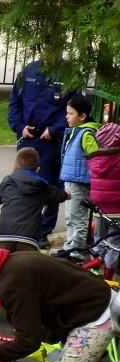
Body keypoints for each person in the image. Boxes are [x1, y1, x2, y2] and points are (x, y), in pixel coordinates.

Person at [8, 53, 81, 249]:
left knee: (49, 185)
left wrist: (54, 130)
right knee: (21, 181)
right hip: (27, 136)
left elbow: (74, 111)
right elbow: (15, 102)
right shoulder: (29, 70)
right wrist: (19, 126)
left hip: (50, 140)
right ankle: (20, 225)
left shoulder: (68, 75)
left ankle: (43, 230)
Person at [0, 147, 70, 252]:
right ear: (38, 169)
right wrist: (66, 194)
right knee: (27, 267)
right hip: (28, 238)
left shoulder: (8, 182)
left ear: (14, 167)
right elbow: (57, 194)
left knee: (0, 266)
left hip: (4, 235)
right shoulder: (42, 187)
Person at [52, 96, 100, 260]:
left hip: (79, 182)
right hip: (72, 180)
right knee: (71, 216)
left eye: (71, 113)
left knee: (77, 218)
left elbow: (94, 156)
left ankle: (75, 252)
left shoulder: (86, 134)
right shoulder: (76, 131)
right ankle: (70, 248)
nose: (67, 116)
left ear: (82, 116)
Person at [86, 123, 120, 279]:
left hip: (99, 209)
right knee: (114, 243)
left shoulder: (96, 159)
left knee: (98, 239)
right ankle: (108, 274)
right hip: (117, 211)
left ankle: (94, 269)